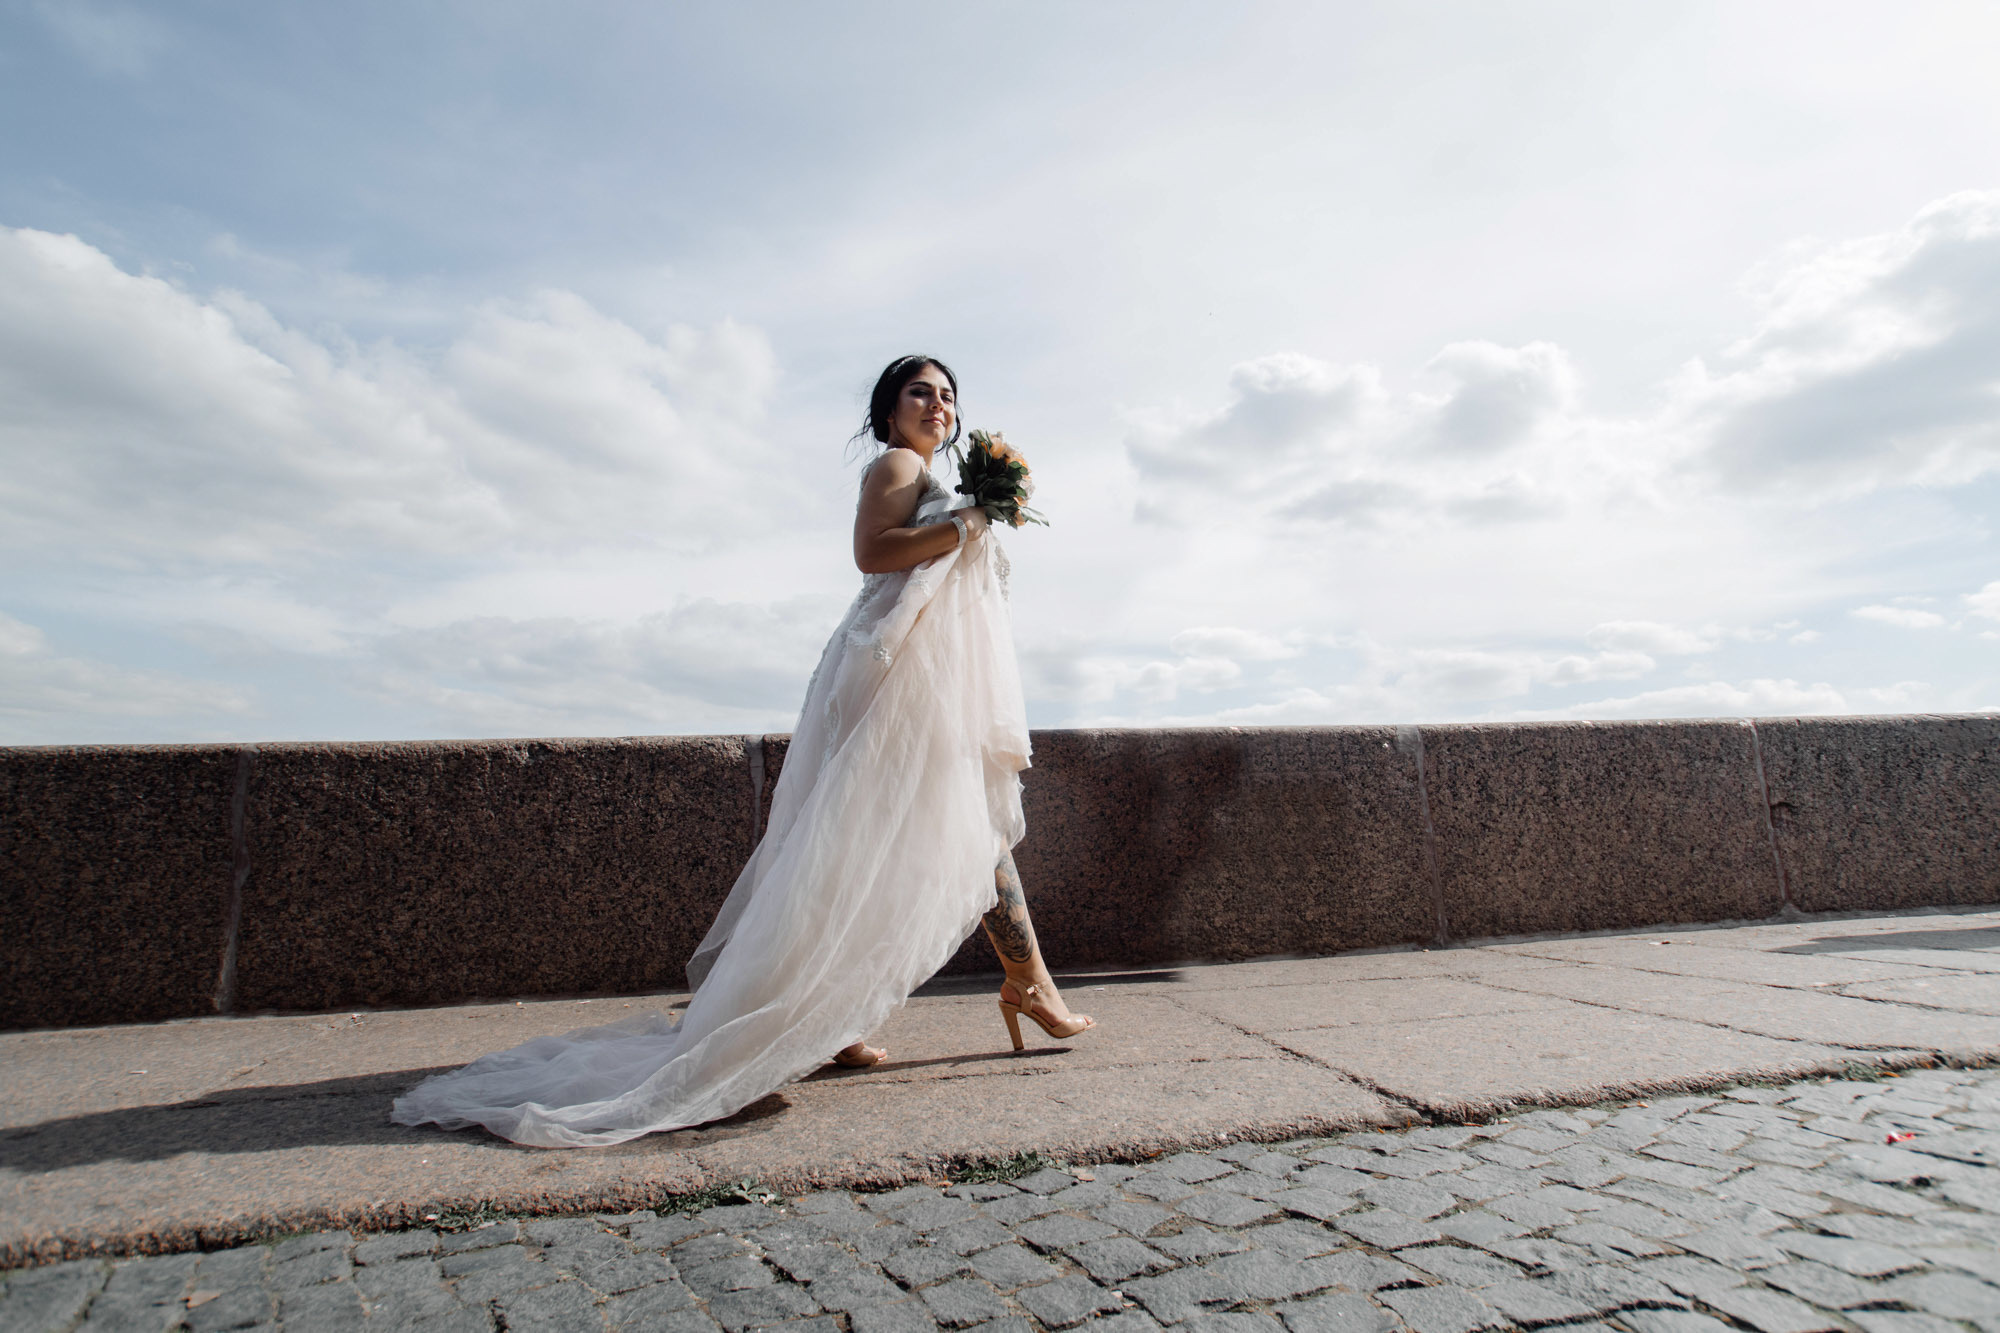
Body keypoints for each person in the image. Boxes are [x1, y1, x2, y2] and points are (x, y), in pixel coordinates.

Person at [389, 354, 1091, 1147]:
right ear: (888, 410)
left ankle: (853, 1016)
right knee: (930, 828)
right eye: (920, 392)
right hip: (896, 674)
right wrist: (969, 522)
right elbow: (873, 553)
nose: (938, 404)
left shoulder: (929, 473)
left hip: (917, 672)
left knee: (877, 842)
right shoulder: (897, 465)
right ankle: (1016, 985)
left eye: (948, 395)